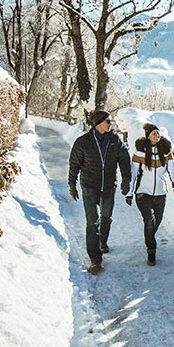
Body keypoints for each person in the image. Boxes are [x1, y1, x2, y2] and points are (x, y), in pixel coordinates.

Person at [68, 110, 131, 274]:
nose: (111, 124)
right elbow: (74, 164)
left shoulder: (114, 140)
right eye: (108, 122)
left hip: (109, 186)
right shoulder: (83, 142)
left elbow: (124, 159)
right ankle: (95, 259)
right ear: (98, 124)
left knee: (106, 216)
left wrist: (126, 180)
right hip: (89, 185)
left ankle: (103, 241)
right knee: (92, 221)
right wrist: (72, 185)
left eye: (110, 121)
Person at [124, 122, 174, 266]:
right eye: (154, 133)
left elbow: (172, 169)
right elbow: (133, 174)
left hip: (160, 193)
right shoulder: (139, 153)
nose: (157, 135)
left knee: (157, 220)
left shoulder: (166, 152)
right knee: (149, 220)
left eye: (158, 132)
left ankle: (149, 237)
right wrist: (129, 193)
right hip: (143, 193)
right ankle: (151, 251)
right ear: (148, 136)